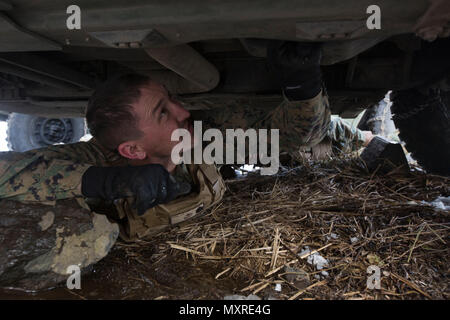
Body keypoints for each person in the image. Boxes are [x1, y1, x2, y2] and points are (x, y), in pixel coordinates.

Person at [0, 41, 372, 288]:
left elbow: (292, 136)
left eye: (172, 99)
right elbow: (9, 172)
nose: (183, 111)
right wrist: (105, 181)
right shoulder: (94, 160)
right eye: (164, 112)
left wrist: (302, 84)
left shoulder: (200, 137)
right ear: (131, 150)